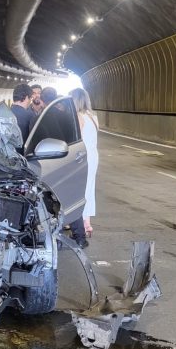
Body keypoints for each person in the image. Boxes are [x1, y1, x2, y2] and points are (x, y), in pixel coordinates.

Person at [70, 87, 99, 238]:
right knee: (89, 188)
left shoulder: (78, 117)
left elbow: (76, 140)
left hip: (82, 158)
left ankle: (82, 222)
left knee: (79, 190)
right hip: (93, 156)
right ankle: (87, 222)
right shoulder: (93, 116)